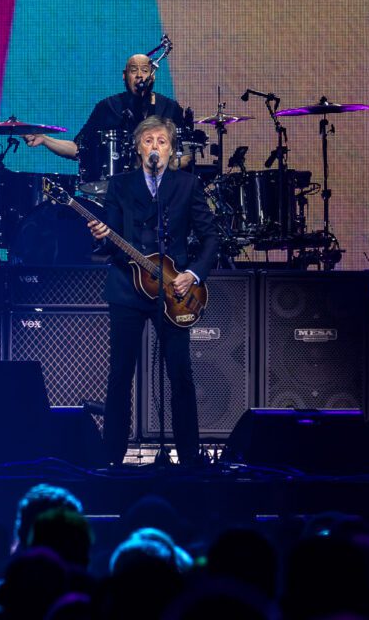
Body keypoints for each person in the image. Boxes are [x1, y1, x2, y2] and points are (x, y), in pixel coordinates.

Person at [88, 116, 219, 466]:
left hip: (174, 291)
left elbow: (210, 237)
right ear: (138, 148)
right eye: (148, 141)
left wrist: (193, 274)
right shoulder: (120, 185)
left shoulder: (187, 185)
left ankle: (188, 458)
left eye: (161, 141)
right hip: (127, 289)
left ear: (171, 149)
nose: (155, 147)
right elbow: (111, 240)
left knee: (181, 374)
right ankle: (111, 458)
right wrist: (102, 236)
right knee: (120, 374)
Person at [23, 53, 190, 178]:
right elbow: (78, 149)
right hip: (118, 193)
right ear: (124, 76)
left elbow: (187, 153)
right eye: (133, 70)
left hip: (163, 192)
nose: (139, 75)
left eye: (145, 70)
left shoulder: (170, 108)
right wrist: (44, 139)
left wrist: (163, 168)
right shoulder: (108, 107)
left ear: (152, 76)